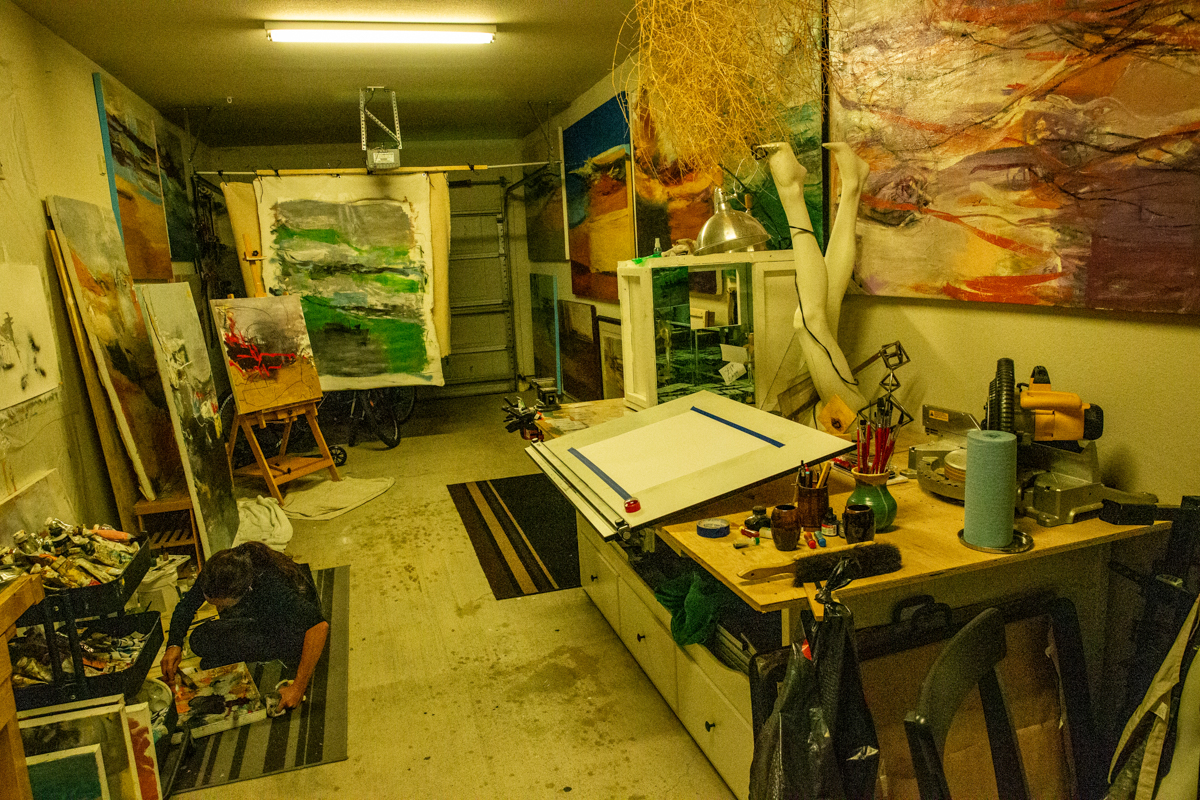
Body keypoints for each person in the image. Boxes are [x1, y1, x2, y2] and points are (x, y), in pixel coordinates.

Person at [160, 542, 328, 712]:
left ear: (240, 592)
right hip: (260, 614)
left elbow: (319, 626)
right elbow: (187, 606)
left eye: (220, 604)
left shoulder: (270, 588)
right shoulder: (216, 572)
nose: (217, 608)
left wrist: (298, 688)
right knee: (199, 639)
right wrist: (173, 645)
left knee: (214, 659)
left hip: (290, 629)